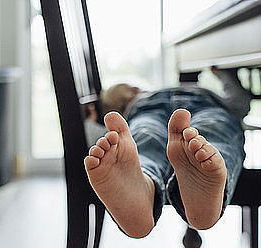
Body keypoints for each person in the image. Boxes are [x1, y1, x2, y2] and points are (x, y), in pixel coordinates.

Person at [84, 68, 250, 238]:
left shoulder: (139, 104)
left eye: (133, 91)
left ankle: (145, 182)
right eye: (129, 96)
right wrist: (225, 74)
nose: (133, 95)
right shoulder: (196, 91)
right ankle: (144, 188)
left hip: (146, 113)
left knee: (144, 140)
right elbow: (240, 105)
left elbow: (106, 144)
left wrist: (89, 124)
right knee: (213, 134)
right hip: (207, 106)